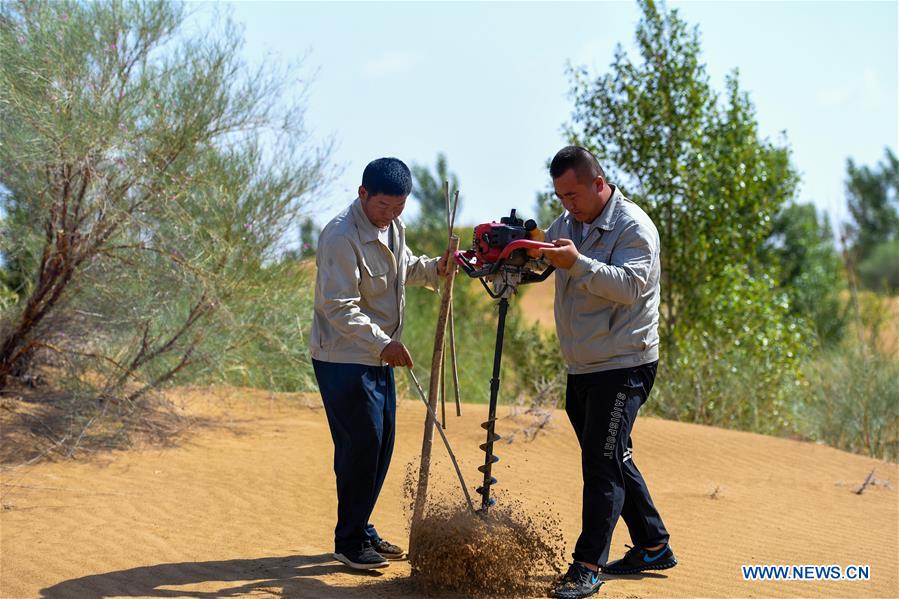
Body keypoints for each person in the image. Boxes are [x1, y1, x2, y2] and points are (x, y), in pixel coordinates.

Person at [539, 146, 676, 599]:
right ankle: (653, 544)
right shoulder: (568, 223)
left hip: (625, 364)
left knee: (601, 463)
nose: (567, 205)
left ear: (599, 183)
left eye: (573, 194)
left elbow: (631, 287)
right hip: (583, 364)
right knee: (612, 455)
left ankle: (586, 566)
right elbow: (547, 259)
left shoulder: (633, 226)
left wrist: (576, 262)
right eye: (560, 196)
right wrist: (518, 253)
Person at [310, 157, 449, 570]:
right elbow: (338, 306)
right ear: (363, 194)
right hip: (344, 357)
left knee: (381, 443)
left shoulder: (393, 228)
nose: (390, 215)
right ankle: (349, 541)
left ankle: (362, 525)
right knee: (361, 444)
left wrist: (435, 269)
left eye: (399, 208)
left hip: (378, 357)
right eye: (383, 207)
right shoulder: (340, 236)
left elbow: (400, 268)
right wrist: (384, 343)